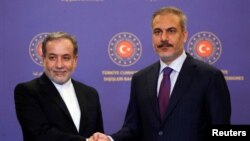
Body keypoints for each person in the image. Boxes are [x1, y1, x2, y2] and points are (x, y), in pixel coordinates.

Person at [90, 6, 231, 141]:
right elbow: (133, 128)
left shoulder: (209, 77)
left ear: (184, 35)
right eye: (157, 32)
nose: (163, 38)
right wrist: (110, 139)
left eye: (171, 31)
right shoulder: (140, 79)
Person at [14, 32, 104, 141]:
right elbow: (40, 135)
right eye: (52, 57)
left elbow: (97, 134)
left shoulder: (91, 94)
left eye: (66, 58)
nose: (59, 65)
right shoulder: (27, 91)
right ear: (43, 60)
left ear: (75, 61)